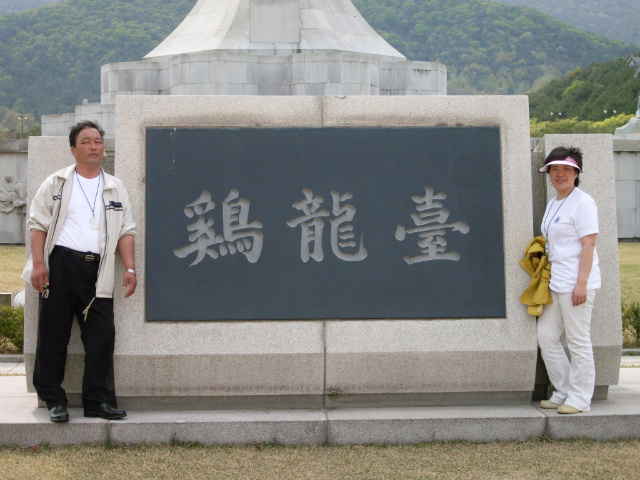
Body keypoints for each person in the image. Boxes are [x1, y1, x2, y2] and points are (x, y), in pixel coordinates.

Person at [22, 120, 137, 422]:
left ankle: (96, 400)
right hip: (59, 265)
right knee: (53, 334)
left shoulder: (115, 187)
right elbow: (37, 224)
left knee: (102, 334)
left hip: (98, 269)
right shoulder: (57, 183)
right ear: (73, 149)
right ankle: (54, 399)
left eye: (98, 141)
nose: (93, 146)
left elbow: (126, 229)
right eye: (85, 141)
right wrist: (38, 264)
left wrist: (131, 268)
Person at [536, 146, 600, 414]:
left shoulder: (583, 202)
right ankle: (563, 390)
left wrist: (581, 284)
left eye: (566, 168)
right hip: (556, 282)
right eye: (554, 169)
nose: (559, 174)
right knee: (547, 337)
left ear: (576, 172)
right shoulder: (554, 203)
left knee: (578, 341)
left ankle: (580, 398)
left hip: (577, 283)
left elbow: (589, 245)